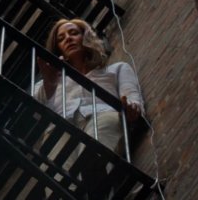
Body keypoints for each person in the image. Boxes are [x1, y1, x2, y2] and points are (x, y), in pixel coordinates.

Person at [35, 18, 144, 156]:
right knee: (57, 171)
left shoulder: (117, 69)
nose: (68, 39)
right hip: (61, 129)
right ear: (58, 49)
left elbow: (132, 98)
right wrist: (50, 84)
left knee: (93, 154)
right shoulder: (48, 82)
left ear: (85, 38)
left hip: (102, 117)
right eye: (61, 39)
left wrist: (132, 108)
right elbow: (34, 112)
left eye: (73, 33)